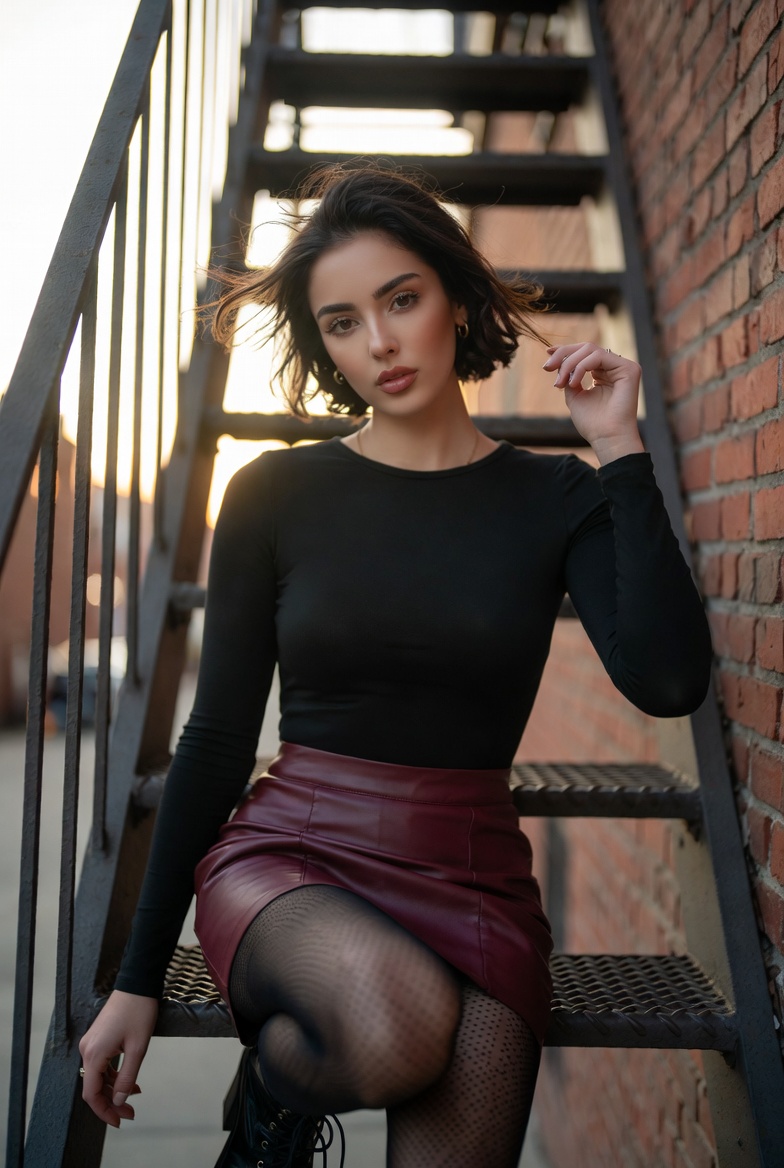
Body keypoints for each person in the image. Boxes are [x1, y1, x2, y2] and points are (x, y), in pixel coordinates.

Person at [79, 162, 712, 1167]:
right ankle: (269, 1120)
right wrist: (138, 976)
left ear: (454, 298)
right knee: (393, 1019)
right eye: (341, 321)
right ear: (324, 344)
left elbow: (668, 681)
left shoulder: (553, 496)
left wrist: (618, 452)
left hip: (471, 869)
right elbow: (213, 738)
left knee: (476, 1060)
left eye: (400, 299)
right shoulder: (272, 492)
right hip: (295, 856)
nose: (377, 342)